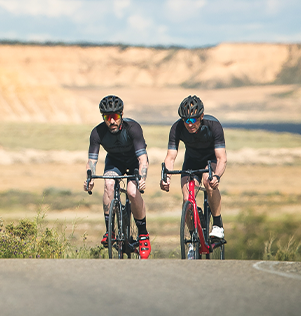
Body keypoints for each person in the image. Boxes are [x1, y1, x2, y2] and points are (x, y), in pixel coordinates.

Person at [83, 95, 151, 259]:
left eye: (115, 117)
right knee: (108, 184)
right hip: (115, 162)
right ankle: (110, 231)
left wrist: (142, 177)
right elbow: (91, 161)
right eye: (108, 117)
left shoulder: (133, 128)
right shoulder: (97, 132)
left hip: (134, 162)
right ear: (103, 118)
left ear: (121, 115)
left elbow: (143, 159)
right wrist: (89, 178)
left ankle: (143, 234)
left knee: (132, 192)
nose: (112, 121)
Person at [160, 95, 228, 257]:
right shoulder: (177, 128)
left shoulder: (213, 125)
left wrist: (217, 176)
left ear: (201, 117)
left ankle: (217, 225)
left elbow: (221, 158)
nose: (190, 124)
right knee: (187, 199)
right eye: (186, 120)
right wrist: (166, 177)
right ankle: (193, 239)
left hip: (210, 160)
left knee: (208, 181)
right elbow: (170, 157)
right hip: (191, 162)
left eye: (193, 120)